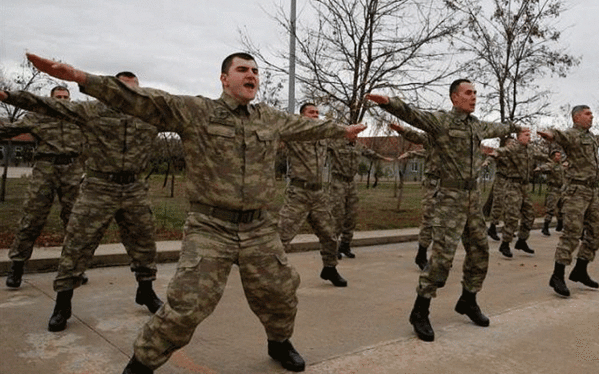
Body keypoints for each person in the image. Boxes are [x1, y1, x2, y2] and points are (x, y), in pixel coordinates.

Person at [23, 52, 366, 373]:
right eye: (242, 69)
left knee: (280, 294)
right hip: (210, 226)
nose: (251, 75)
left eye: (255, 71)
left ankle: (279, 342)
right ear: (224, 79)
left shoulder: (269, 118)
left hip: (258, 228)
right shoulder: (197, 111)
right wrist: (81, 77)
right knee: (187, 305)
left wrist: (342, 131)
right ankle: (141, 363)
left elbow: (306, 127)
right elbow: (144, 100)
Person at [2, 72, 164, 333]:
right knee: (77, 243)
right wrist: (9, 96)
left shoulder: (151, 114)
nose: (129, 94)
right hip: (98, 187)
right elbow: (46, 105)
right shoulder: (92, 111)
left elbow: (189, 115)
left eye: (133, 89)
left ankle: (146, 290)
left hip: (134, 188)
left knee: (144, 242)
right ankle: (62, 304)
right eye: (122, 88)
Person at [366, 79, 523, 342]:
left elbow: (498, 127)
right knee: (442, 257)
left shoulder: (477, 125)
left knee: (480, 252)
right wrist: (389, 103)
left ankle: (468, 299)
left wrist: (515, 127)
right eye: (468, 93)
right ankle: (420, 310)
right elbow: (413, 114)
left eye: (475, 93)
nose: (474, 97)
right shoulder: (441, 121)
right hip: (449, 198)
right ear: (454, 98)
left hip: (472, 198)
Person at [1, 86, 85, 288]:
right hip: (45, 169)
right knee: (32, 218)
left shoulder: (79, 117)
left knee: (75, 221)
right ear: (50, 99)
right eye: (58, 97)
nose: (62, 100)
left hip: (72, 170)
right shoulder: (37, 115)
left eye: (65, 97)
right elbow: (10, 129)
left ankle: (74, 269)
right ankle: (17, 266)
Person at [537, 105, 599, 297]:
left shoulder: (591, 137)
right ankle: (557, 275)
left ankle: (580, 269)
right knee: (572, 233)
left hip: (591, 192)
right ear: (576, 117)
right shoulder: (572, 135)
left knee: (597, 233)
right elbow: (560, 136)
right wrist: (550, 134)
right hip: (576, 191)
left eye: (592, 114)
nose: (591, 117)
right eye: (587, 114)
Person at [276, 103, 349, 287]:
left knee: (330, 235)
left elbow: (339, 138)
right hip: (298, 194)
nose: (316, 115)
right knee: (282, 236)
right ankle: (270, 272)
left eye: (317, 112)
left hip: (318, 194)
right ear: (302, 116)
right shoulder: (294, 133)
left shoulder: (323, 136)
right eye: (311, 112)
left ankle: (330, 268)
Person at [486, 129, 551, 258]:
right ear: (519, 137)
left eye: (529, 135)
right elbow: (503, 151)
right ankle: (505, 243)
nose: (529, 137)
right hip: (513, 185)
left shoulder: (530, 149)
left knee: (529, 215)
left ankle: (522, 241)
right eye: (526, 135)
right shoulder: (514, 148)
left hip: (524, 187)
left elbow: (542, 156)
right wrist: (494, 153)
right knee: (512, 215)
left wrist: (557, 159)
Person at [327, 133, 390, 260]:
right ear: (347, 133)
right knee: (337, 215)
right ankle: (332, 247)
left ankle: (345, 245)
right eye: (353, 133)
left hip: (351, 183)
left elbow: (370, 153)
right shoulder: (335, 144)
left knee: (352, 215)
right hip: (338, 183)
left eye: (357, 134)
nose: (355, 136)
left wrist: (384, 158)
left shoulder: (359, 146)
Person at [391, 124, 438, 271]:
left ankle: (440, 257)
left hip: (449, 187)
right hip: (432, 186)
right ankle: (421, 254)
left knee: (445, 223)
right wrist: (403, 130)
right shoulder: (431, 139)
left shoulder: (451, 143)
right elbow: (418, 139)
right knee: (429, 220)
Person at [539, 150, 565, 236]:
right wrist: (539, 169)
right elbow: (544, 167)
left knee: (562, 209)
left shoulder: (561, 165)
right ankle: (545, 227)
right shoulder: (550, 165)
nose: (558, 157)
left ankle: (560, 225)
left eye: (559, 155)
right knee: (550, 209)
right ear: (553, 157)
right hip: (553, 190)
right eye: (556, 156)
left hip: (561, 190)